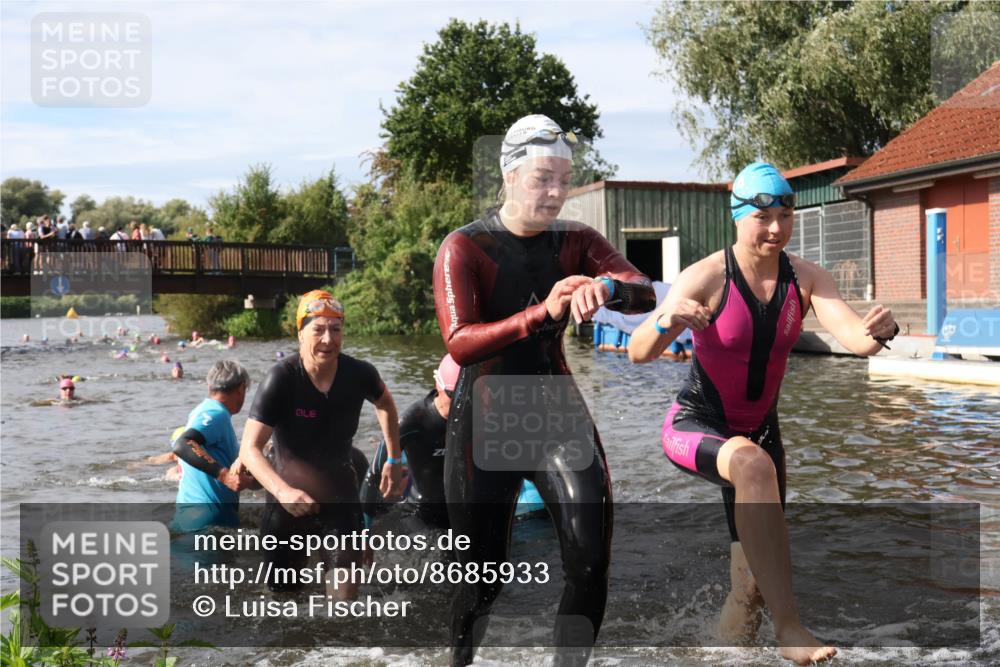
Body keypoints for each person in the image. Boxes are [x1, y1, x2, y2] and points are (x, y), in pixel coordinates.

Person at [629, 162, 899, 666]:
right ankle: (791, 629)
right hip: (696, 426)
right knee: (753, 464)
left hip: (761, 439)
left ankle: (717, 655)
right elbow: (639, 351)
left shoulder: (808, 278)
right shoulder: (707, 276)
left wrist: (882, 329)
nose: (776, 228)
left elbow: (856, 339)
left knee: (752, 585)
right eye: (763, 217)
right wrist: (669, 317)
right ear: (736, 217)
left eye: (785, 214)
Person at [433, 114, 656, 666]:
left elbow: (643, 290)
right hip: (483, 426)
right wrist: (543, 312)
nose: (556, 193)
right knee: (482, 584)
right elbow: (461, 344)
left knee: (589, 560)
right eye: (542, 179)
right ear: (509, 177)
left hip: (555, 414)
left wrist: (605, 286)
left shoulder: (578, 241)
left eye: (564, 179)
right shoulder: (464, 248)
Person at [239, 290, 406, 599]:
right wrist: (282, 491)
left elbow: (386, 404)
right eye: (318, 329)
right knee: (284, 602)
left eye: (336, 329)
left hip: (340, 496)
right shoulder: (282, 378)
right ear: (300, 333)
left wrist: (393, 461)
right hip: (287, 503)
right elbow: (249, 448)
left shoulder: (360, 374)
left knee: (344, 608)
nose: (328, 339)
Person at [360, 354, 460, 530]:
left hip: (461, 511)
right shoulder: (414, 420)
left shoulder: (476, 415)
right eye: (454, 394)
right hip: (420, 513)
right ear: (439, 385)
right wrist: (364, 535)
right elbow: (373, 476)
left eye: (467, 395)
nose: (461, 403)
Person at [172, 360, 257, 532]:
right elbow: (183, 444)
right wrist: (224, 476)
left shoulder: (202, 410)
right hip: (208, 521)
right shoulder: (216, 414)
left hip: (189, 517)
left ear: (209, 385)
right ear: (241, 388)